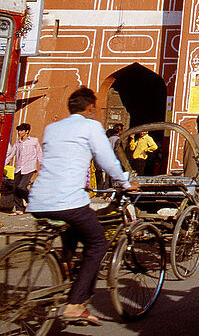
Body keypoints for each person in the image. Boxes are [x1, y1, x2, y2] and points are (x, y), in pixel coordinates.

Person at [27, 87, 133, 325]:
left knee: (72, 231)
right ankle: (75, 304)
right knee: (97, 243)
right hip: (68, 200)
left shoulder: (52, 128)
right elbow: (106, 160)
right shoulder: (91, 126)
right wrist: (124, 182)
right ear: (90, 108)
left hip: (38, 200)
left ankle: (66, 270)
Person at [5, 123, 42, 214]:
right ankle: (19, 208)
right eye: (18, 130)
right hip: (18, 168)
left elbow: (39, 154)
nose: (19, 132)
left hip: (29, 168)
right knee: (15, 188)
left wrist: (42, 166)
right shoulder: (18, 143)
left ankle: (32, 202)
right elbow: (11, 155)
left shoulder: (34, 141)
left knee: (21, 187)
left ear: (27, 131)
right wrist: (3, 164)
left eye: (21, 130)